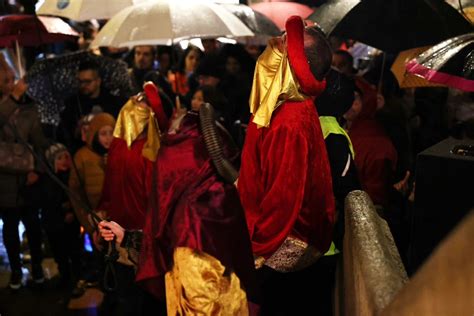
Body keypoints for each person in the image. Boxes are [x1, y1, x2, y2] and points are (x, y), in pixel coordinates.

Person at [99, 104, 258, 315]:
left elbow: (202, 300)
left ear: (183, 161)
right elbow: (168, 244)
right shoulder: (214, 194)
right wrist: (127, 238)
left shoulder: (195, 216)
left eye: (171, 141)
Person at [237, 16, 335, 315]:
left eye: (278, 46)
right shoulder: (284, 106)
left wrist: (256, 253)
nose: (268, 50)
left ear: (291, 66)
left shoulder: (289, 120)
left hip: (282, 249)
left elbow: (283, 200)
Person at [0, 58, 49, 290]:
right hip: (5, 182)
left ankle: (38, 268)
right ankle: (16, 271)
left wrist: (37, 169)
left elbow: (39, 143)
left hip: (28, 180)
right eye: (5, 81)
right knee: (10, 229)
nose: (11, 84)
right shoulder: (5, 106)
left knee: (33, 226)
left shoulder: (29, 107)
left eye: (12, 80)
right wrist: (12, 99)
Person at [41, 143, 83, 292]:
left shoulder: (73, 176)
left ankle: (78, 278)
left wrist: (72, 211)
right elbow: (48, 202)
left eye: (66, 156)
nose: (65, 160)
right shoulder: (47, 180)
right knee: (60, 253)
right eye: (60, 158)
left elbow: (77, 196)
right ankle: (65, 277)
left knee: (74, 251)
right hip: (54, 224)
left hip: (70, 224)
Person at [59, 60, 125, 153]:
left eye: (87, 81)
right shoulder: (72, 104)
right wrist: (77, 128)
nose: (83, 85)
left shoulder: (113, 102)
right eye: (80, 82)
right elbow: (66, 135)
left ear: (98, 81)